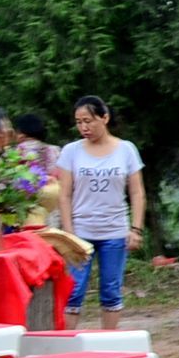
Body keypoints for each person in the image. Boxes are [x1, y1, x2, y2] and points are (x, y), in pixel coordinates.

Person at [55, 97, 146, 331]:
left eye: (89, 121)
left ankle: (108, 343)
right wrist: (69, 232)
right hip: (80, 231)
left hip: (114, 230)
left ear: (104, 118)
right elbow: (64, 194)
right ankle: (68, 345)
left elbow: (137, 192)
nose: (84, 127)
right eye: (79, 122)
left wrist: (135, 229)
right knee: (73, 290)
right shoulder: (71, 151)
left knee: (111, 289)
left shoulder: (126, 149)